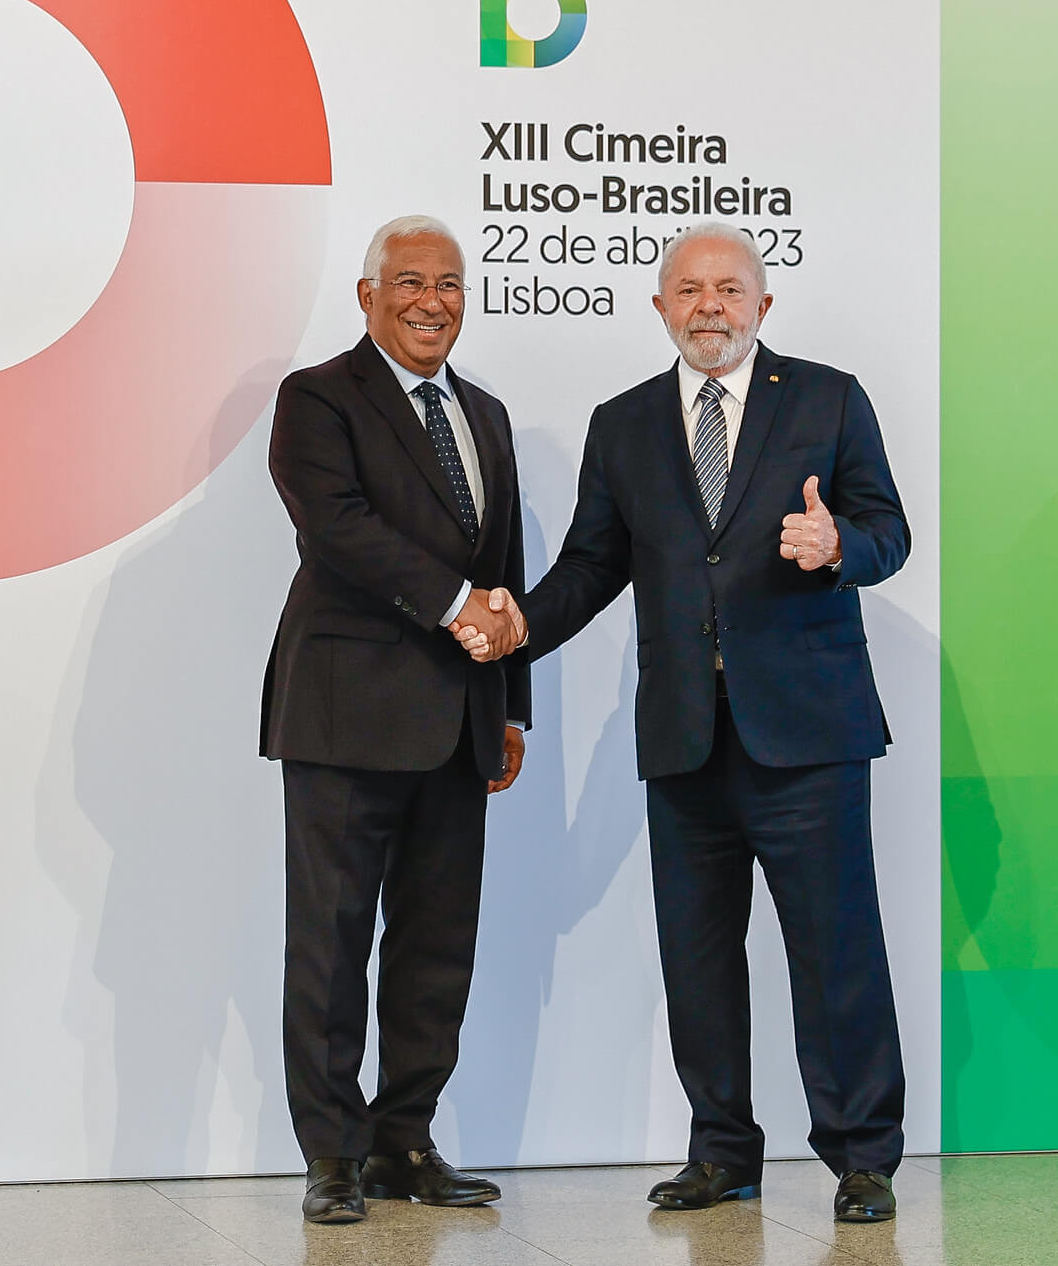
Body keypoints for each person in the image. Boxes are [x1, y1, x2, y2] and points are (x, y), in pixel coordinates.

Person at [454, 221, 910, 1224]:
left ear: (762, 305)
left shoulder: (828, 400)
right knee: (696, 955)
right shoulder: (622, 425)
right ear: (660, 307)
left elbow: (890, 532)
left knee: (834, 954)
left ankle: (861, 1155)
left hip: (808, 737)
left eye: (729, 288)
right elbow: (590, 565)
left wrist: (837, 542)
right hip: (683, 734)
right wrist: (520, 624)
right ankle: (722, 1152)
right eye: (689, 290)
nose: (710, 304)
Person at [262, 216, 530, 1225]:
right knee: (328, 945)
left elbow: (499, 567)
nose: (432, 301)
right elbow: (336, 530)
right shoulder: (318, 398)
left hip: (461, 723)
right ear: (366, 297)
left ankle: (402, 1140)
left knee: (434, 945)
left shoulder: (487, 415)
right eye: (409, 281)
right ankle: (330, 1154)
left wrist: (509, 709)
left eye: (450, 283)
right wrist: (456, 604)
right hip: (343, 716)